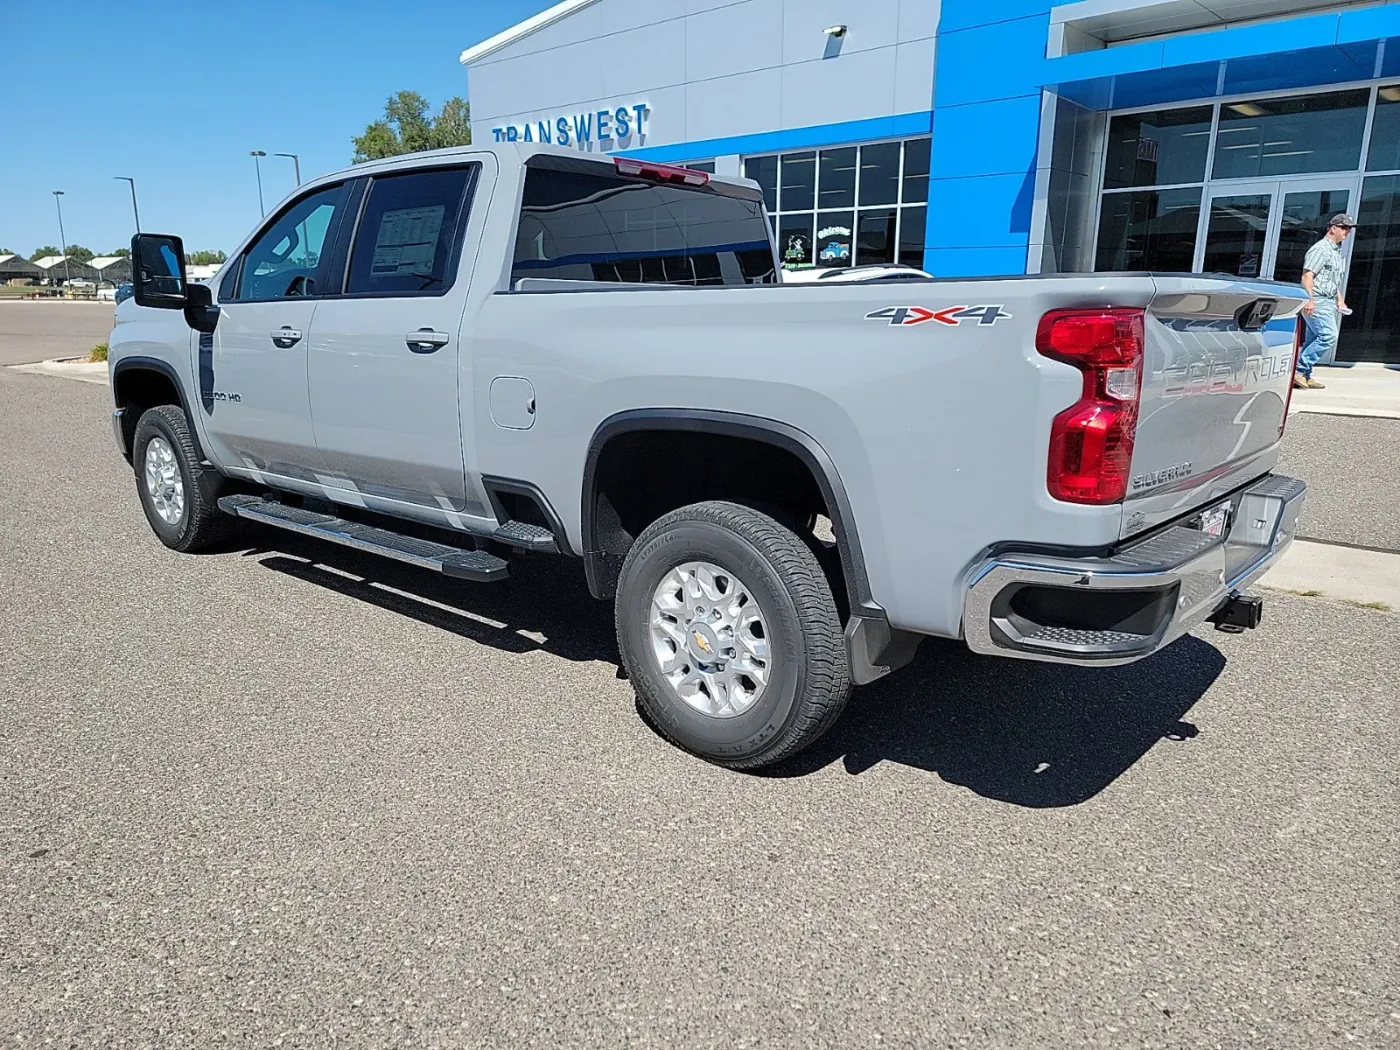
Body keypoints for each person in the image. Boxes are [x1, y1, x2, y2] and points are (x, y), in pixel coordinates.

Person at [1295, 212, 1356, 390]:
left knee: (1314, 338)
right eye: (1344, 228)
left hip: (1328, 300)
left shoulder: (1337, 252)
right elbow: (1307, 275)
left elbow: (1332, 280)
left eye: (1349, 229)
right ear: (1333, 228)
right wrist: (1309, 300)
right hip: (1318, 299)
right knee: (1328, 335)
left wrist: (1340, 300)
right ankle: (1299, 371)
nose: (1347, 232)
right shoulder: (1320, 249)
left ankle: (1304, 376)